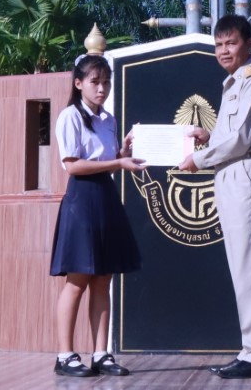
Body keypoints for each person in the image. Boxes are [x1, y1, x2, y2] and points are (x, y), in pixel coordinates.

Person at [179, 15, 251, 380]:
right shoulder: (234, 83)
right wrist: (210, 137)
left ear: (248, 44)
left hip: (245, 171)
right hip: (232, 173)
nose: (223, 50)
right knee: (243, 266)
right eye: (218, 44)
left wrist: (199, 158)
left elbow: (241, 139)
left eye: (231, 43)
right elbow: (232, 134)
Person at [50, 54, 145, 378]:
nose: (102, 88)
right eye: (95, 82)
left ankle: (101, 353)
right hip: (81, 199)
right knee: (77, 280)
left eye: (106, 82)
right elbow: (73, 165)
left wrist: (123, 153)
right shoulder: (70, 116)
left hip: (106, 197)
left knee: (103, 280)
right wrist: (117, 162)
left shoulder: (108, 119)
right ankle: (65, 355)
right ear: (78, 83)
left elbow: (108, 164)